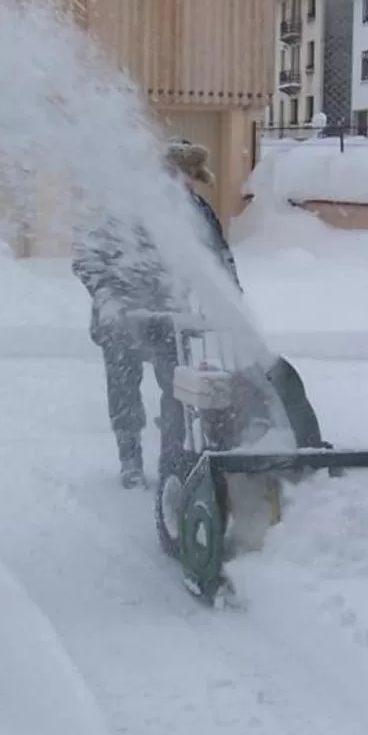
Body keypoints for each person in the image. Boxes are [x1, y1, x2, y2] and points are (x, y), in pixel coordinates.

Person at [73, 140, 238, 490]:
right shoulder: (128, 210)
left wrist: (231, 305)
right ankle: (130, 459)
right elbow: (86, 257)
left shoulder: (197, 211)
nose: (189, 186)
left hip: (171, 319)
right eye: (184, 178)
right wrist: (110, 299)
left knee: (178, 391)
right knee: (123, 391)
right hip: (123, 318)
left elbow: (220, 262)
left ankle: (173, 459)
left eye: (193, 180)